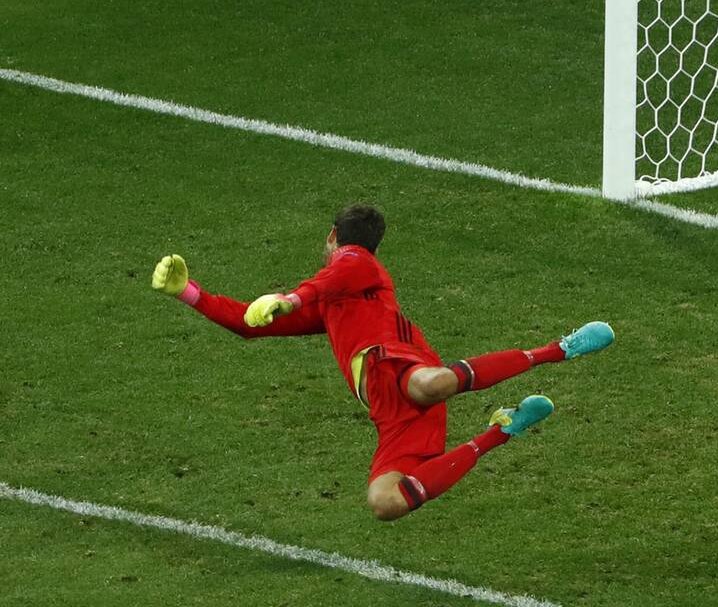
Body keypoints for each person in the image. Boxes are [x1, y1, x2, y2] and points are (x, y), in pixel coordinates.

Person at [151, 203, 613, 521]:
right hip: (388, 414)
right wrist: (188, 294)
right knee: (384, 503)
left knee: (429, 386)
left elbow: (338, 271)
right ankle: (503, 429)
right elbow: (248, 325)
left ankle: (558, 349)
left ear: (333, 237)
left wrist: (289, 298)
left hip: (400, 366)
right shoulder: (330, 304)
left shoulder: (359, 264)